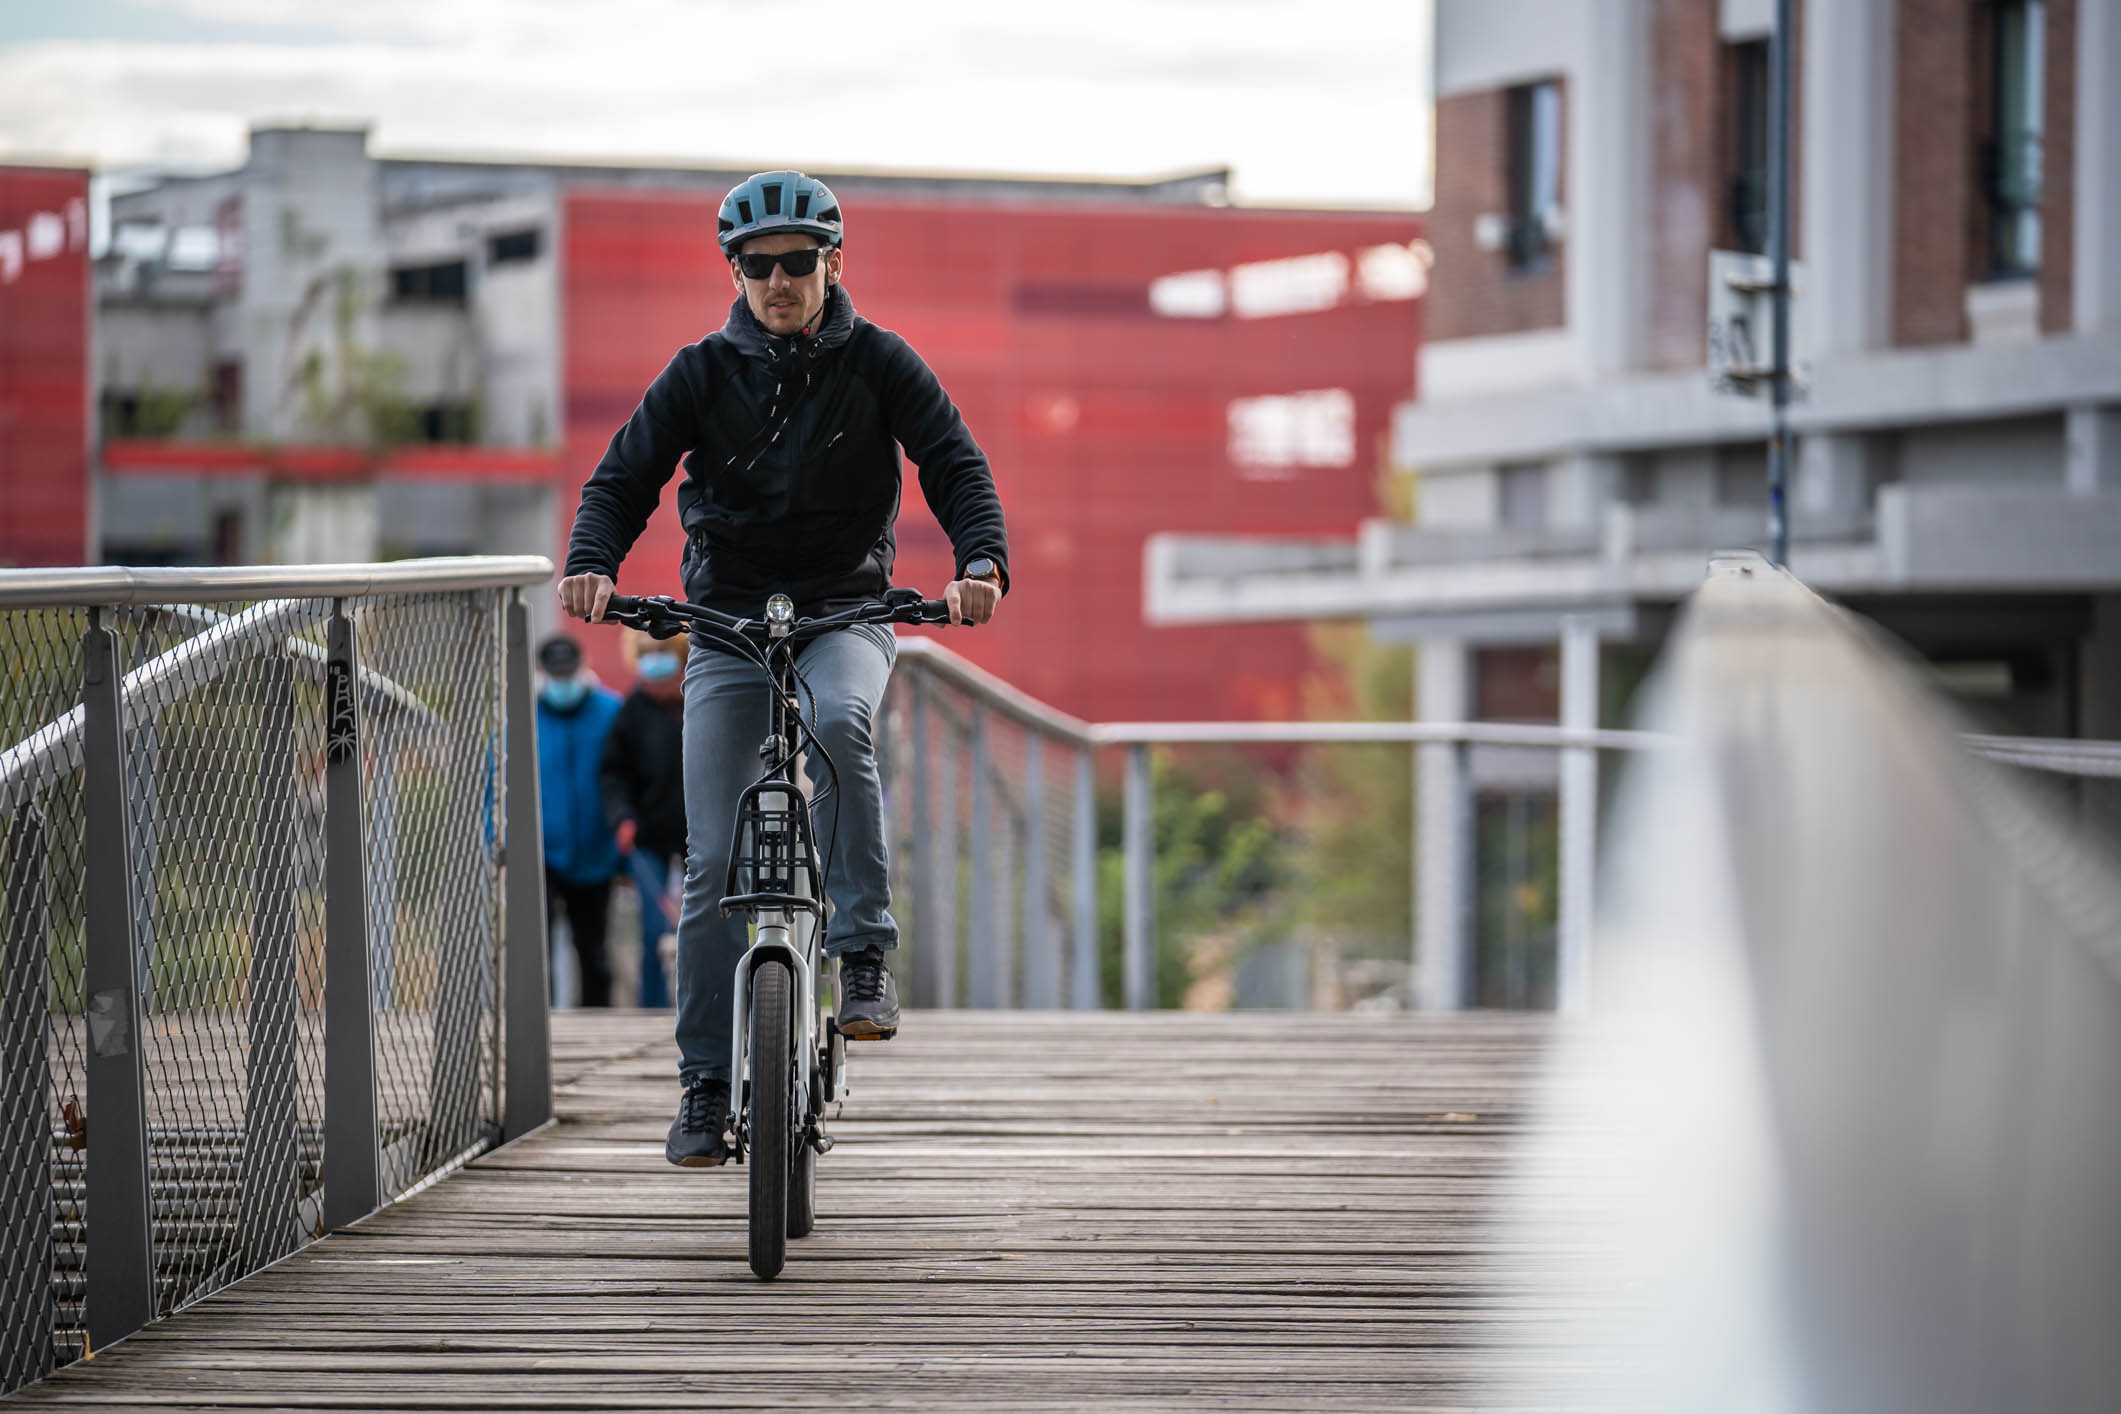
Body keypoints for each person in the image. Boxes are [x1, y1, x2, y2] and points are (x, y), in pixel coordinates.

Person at [557, 169, 1008, 1168]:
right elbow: (623, 476)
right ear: (735, 273)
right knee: (713, 856)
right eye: (756, 266)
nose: (777, 282)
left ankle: (862, 952)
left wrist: (980, 562)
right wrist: (591, 561)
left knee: (843, 720)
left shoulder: (882, 364)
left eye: (797, 263)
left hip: (846, 608)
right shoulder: (700, 372)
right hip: (723, 623)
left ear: (832, 264)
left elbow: (957, 465)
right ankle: (704, 1082)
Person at [535, 633, 624, 1008]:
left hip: (596, 848)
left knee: (593, 947)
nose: (562, 682)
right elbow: (496, 783)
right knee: (537, 948)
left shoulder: (612, 711)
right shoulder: (522, 713)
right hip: (540, 849)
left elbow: (626, 774)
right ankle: (539, 1020)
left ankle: (598, 1018)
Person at [601, 628, 689, 1009]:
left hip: (697, 835)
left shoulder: (703, 702)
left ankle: (705, 1006)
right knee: (654, 930)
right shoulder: (632, 711)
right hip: (648, 836)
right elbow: (613, 773)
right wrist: (622, 817)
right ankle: (650, 1011)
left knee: (702, 925)